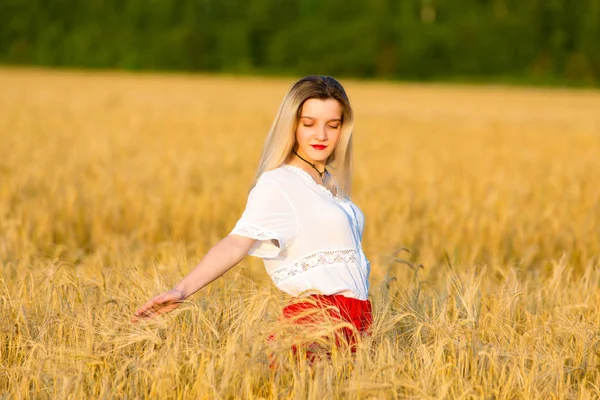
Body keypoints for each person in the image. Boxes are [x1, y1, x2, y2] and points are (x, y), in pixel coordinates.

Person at [132, 75, 372, 360]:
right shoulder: (279, 182)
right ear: (291, 125)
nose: (321, 135)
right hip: (317, 324)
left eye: (332, 125)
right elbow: (237, 242)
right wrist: (181, 290)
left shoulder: (329, 183)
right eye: (309, 124)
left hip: (357, 322)